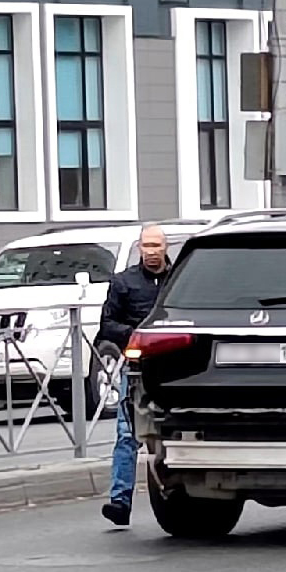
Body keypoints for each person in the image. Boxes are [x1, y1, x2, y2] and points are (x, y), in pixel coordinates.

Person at [99, 224, 171, 526]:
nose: (151, 251)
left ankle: (175, 492)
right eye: (146, 246)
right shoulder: (124, 282)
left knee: (174, 431)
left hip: (174, 367)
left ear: (166, 247)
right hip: (138, 368)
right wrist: (134, 335)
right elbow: (107, 324)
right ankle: (120, 500)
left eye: (156, 245)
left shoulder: (179, 279)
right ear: (139, 248)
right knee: (127, 434)